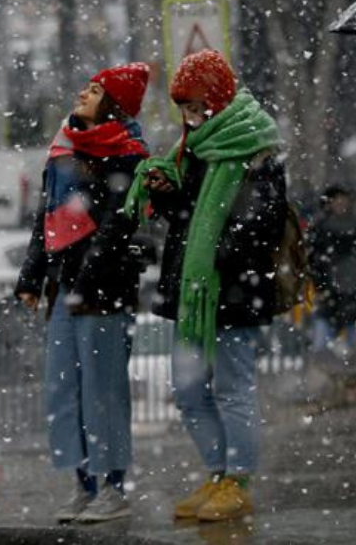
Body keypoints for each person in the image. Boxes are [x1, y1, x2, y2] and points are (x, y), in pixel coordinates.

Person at [125, 49, 285, 522]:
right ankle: (217, 474)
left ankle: (239, 480)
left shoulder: (255, 148)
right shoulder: (194, 149)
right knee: (189, 388)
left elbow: (262, 224)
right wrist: (167, 194)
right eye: (185, 109)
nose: (191, 118)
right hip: (193, 290)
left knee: (233, 387)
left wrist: (218, 255)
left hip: (233, 290)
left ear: (217, 99)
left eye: (197, 107)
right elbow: (186, 219)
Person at [15, 62, 151, 525]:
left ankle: (113, 485)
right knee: (62, 389)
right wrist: (32, 277)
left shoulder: (127, 153)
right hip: (64, 288)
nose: (83, 93)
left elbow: (120, 221)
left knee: (103, 390)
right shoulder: (64, 148)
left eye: (95, 90)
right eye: (87, 86)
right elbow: (46, 219)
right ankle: (83, 482)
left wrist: (89, 271)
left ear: (113, 103)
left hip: (104, 291)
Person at [308, 184, 356, 356]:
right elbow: (313, 261)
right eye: (337, 200)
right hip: (329, 291)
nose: (341, 204)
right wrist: (320, 286)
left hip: (350, 293)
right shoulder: (321, 227)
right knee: (322, 345)